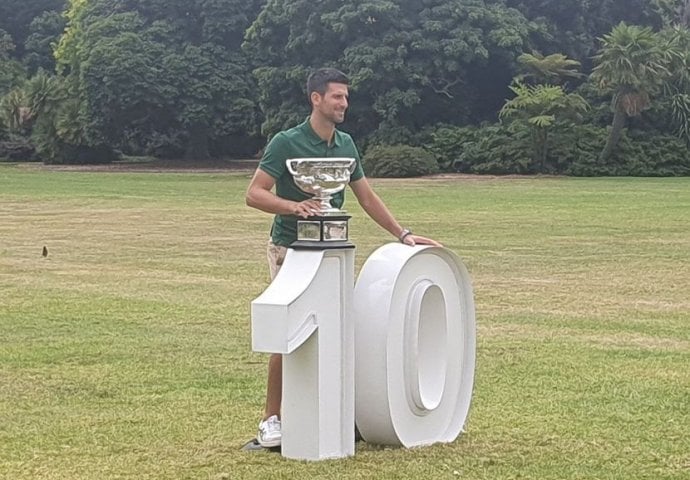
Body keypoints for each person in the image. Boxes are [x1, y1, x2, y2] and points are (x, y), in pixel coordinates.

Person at [245, 67, 441, 447]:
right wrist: (294, 206)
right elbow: (254, 194)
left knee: (338, 332)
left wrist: (403, 234)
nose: (344, 103)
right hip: (290, 249)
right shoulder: (287, 142)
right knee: (290, 333)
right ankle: (272, 419)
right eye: (337, 96)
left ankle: (340, 414)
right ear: (315, 99)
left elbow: (366, 197)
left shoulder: (346, 144)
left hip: (334, 253)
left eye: (346, 97)